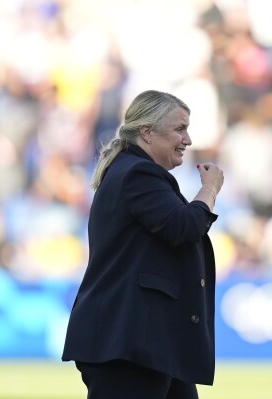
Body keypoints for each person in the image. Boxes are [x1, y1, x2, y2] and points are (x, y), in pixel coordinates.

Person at [62, 90, 224, 399]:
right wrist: (210, 191)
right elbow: (184, 227)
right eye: (180, 129)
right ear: (147, 133)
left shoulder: (132, 171)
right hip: (128, 340)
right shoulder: (138, 172)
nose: (187, 140)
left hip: (148, 340)